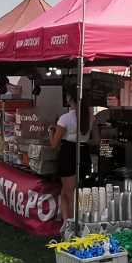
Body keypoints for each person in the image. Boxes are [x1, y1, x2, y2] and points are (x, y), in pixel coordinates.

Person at [48, 86, 82, 224]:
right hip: (83, 152)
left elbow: (54, 144)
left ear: (69, 99)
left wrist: (51, 131)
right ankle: (66, 222)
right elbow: (96, 140)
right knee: (66, 192)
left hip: (68, 153)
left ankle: (73, 224)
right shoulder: (89, 115)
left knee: (69, 193)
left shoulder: (65, 118)